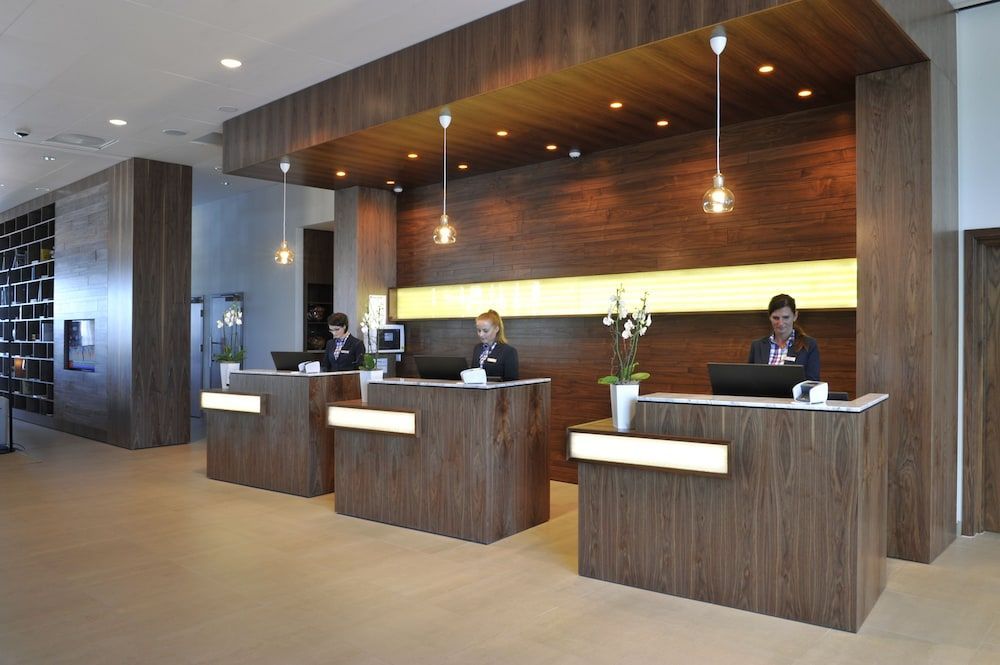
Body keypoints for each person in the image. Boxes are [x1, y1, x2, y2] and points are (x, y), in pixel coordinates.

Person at [747, 293, 820, 380]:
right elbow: (750, 379)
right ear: (769, 317)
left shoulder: (809, 345)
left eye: (786, 317)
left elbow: (812, 382)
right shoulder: (757, 346)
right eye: (775, 318)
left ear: (795, 316)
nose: (780, 323)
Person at [471, 309, 518, 381]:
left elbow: (512, 381)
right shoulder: (477, 348)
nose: (481, 334)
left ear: (496, 329)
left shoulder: (509, 352)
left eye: (485, 331)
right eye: (479, 330)